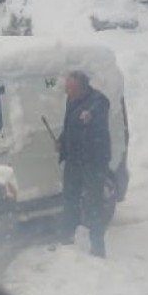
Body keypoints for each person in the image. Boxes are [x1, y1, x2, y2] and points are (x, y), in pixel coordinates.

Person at [58, 69, 112, 258]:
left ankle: (97, 247)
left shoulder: (98, 101)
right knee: (69, 199)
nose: (67, 92)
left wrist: (90, 115)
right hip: (74, 161)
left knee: (94, 204)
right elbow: (68, 126)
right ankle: (67, 239)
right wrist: (62, 142)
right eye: (66, 88)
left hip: (93, 163)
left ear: (81, 87)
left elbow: (97, 112)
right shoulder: (71, 100)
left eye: (70, 88)